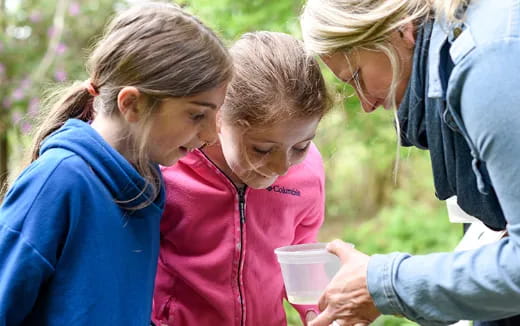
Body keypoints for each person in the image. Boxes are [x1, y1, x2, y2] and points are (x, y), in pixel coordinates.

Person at [0, 2, 232, 325]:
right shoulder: (58, 181)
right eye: (197, 115)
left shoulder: (145, 186)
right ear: (132, 104)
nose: (210, 135)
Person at [299, 0, 520, 325]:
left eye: (357, 77)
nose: (366, 105)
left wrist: (384, 283)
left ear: (397, 30)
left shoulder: (486, 65)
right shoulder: (464, 49)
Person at [151, 31, 331, 326]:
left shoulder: (307, 171)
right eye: (262, 149)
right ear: (218, 118)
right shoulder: (169, 166)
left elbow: (301, 254)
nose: (283, 166)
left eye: (300, 146)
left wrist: (319, 313)